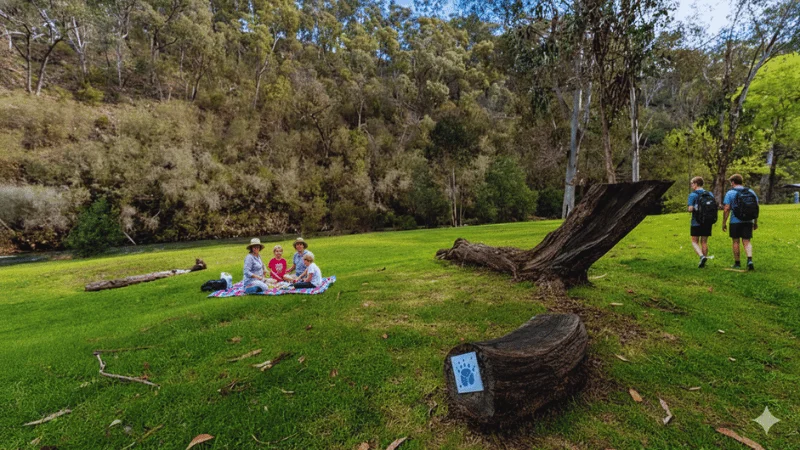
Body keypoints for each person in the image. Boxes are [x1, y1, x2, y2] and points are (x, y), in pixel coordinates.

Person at [722, 174, 759, 270]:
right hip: (748, 220)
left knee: (736, 241)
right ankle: (749, 260)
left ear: (733, 182)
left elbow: (726, 208)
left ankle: (737, 263)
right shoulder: (751, 192)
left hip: (735, 221)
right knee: (747, 241)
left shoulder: (730, 193)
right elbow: (756, 208)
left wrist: (724, 222)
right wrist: (755, 222)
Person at [687, 176, 714, 268]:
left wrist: (691, 208)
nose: (691, 185)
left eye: (692, 183)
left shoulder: (693, 195)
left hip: (696, 221)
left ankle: (702, 257)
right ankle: (704, 261)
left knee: (694, 241)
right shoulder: (710, 194)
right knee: (704, 242)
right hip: (707, 221)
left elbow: (690, 209)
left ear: (696, 184)